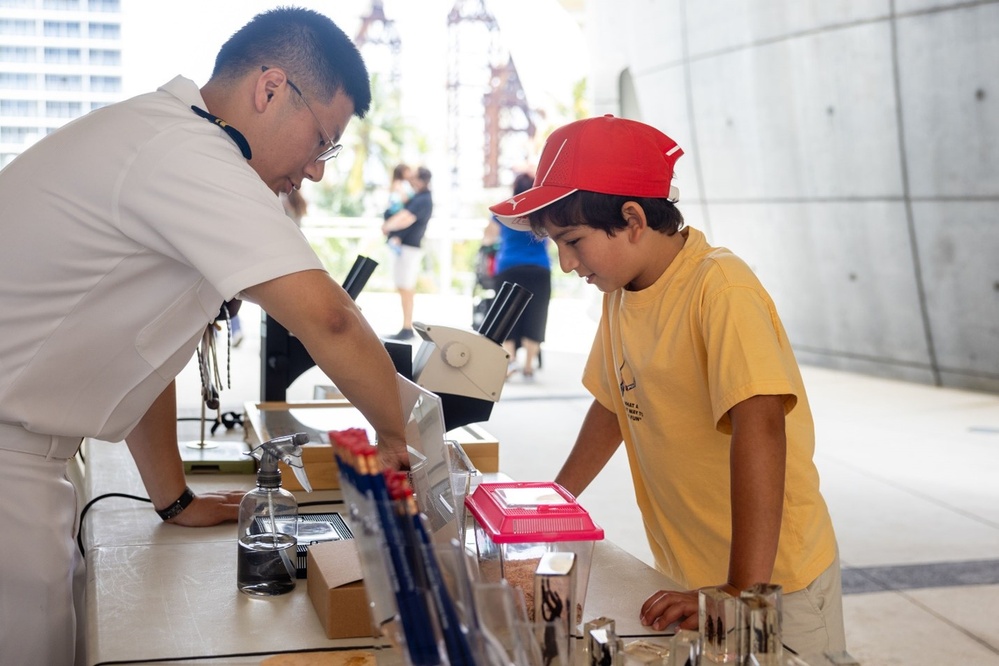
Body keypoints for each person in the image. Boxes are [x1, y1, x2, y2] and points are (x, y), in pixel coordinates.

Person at [0, 8, 410, 666]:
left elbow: (142, 351)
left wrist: (173, 496)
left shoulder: (170, 140)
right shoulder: (188, 152)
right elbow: (330, 317)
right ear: (271, 89)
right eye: (322, 141)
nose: (316, 171)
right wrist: (401, 442)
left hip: (29, 458)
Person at [489, 115, 846, 658]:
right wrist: (551, 503)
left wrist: (739, 592)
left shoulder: (720, 288)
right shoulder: (620, 292)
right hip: (696, 573)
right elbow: (613, 403)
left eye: (574, 241)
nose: (566, 263)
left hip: (772, 584)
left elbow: (763, 429)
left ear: (632, 218)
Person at [482, 172, 552, 380]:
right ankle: (529, 366)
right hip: (539, 268)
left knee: (507, 314)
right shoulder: (543, 210)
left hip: (509, 267)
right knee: (537, 314)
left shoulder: (504, 209)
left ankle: (509, 361)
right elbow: (551, 237)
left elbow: (488, 237)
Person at [381, 165, 433, 340]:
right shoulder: (417, 197)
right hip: (406, 248)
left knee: (406, 287)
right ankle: (406, 326)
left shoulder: (423, 199)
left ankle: (407, 327)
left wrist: (387, 226)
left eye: (414, 177)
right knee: (403, 286)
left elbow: (406, 218)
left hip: (409, 248)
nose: (410, 179)